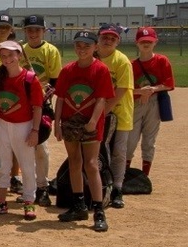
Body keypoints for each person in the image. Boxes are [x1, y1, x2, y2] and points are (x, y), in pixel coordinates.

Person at [54, 30, 113, 232]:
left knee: (91, 164)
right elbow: (60, 98)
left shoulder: (100, 70)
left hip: (90, 123)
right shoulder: (68, 70)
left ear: (95, 47)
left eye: (87, 45)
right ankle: (78, 205)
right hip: (70, 121)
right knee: (74, 161)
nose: (82, 49)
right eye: (78, 45)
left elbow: (102, 99)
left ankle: (98, 210)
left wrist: (93, 121)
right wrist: (57, 123)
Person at [0, 41, 42, 220]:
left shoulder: (30, 79)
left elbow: (38, 107)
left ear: (19, 55)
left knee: (26, 165)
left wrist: (34, 130)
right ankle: (1, 201)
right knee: (2, 164)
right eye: (3, 56)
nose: (7, 59)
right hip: (3, 124)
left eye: (11, 55)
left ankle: (29, 201)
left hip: (24, 125)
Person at [20, 14, 62, 207]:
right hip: (22, 105)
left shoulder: (50, 51)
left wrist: (43, 95)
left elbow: (55, 81)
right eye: (29, 30)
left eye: (37, 30)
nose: (33, 33)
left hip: (42, 104)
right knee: (23, 147)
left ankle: (42, 187)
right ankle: (30, 187)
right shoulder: (21, 50)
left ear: (43, 31)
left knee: (40, 147)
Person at [95, 24, 134, 208]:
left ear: (118, 41)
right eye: (105, 37)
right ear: (98, 38)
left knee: (118, 151)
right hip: (97, 112)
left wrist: (102, 112)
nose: (108, 40)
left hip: (119, 111)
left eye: (113, 38)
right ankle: (100, 184)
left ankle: (117, 188)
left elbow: (121, 89)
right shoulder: (92, 58)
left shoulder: (122, 61)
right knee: (99, 151)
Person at [127, 26, 174, 178]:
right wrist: (141, 92)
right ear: (137, 43)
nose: (146, 44)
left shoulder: (161, 60)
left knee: (149, 140)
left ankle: (144, 176)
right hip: (136, 102)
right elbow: (125, 89)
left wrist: (151, 90)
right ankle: (125, 175)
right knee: (130, 141)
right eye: (142, 41)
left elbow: (168, 83)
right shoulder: (131, 65)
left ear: (155, 43)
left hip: (154, 102)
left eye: (149, 41)